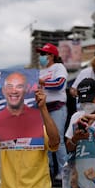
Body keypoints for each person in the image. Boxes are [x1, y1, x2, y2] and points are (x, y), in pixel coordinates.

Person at [37, 43, 68, 180]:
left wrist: (41, 83)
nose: (41, 57)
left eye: (44, 54)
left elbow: (59, 83)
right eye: (41, 54)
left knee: (58, 139)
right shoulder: (40, 71)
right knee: (45, 140)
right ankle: (48, 171)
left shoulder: (59, 67)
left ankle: (65, 171)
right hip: (42, 108)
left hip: (57, 107)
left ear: (52, 56)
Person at [0, 72, 43, 142]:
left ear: (26, 89)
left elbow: (55, 142)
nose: (14, 91)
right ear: (3, 90)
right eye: (10, 86)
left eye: (19, 86)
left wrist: (44, 107)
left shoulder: (40, 115)